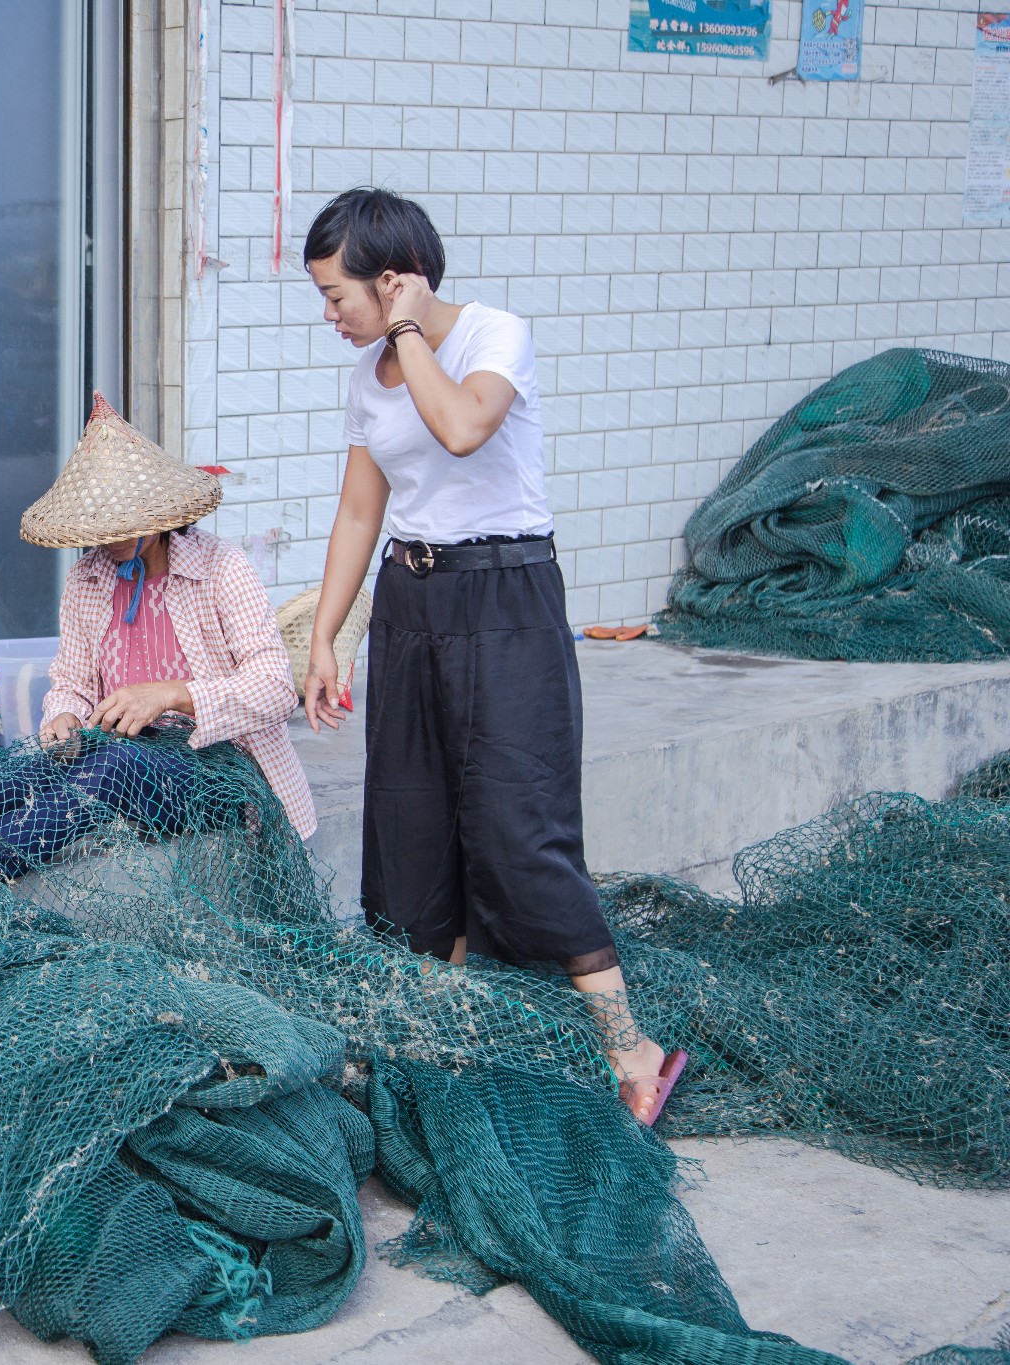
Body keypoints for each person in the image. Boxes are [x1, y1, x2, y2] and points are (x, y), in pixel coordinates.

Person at [294, 188, 685, 1125]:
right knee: (413, 819)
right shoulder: (366, 378)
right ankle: (457, 1039)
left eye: (337, 296)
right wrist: (323, 634)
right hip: (413, 602)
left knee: (519, 821)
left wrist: (408, 333)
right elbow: (360, 510)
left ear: (391, 282)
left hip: (506, 598)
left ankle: (630, 1047)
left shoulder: (494, 334)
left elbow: (463, 426)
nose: (328, 316)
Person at [0, 395, 317, 874]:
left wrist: (170, 695)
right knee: (21, 769)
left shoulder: (222, 568)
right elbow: (70, 680)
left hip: (219, 774)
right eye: (98, 526)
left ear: (159, 517)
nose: (107, 539)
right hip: (120, 753)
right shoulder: (87, 579)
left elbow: (277, 688)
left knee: (111, 768)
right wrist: (65, 716)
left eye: (121, 524)